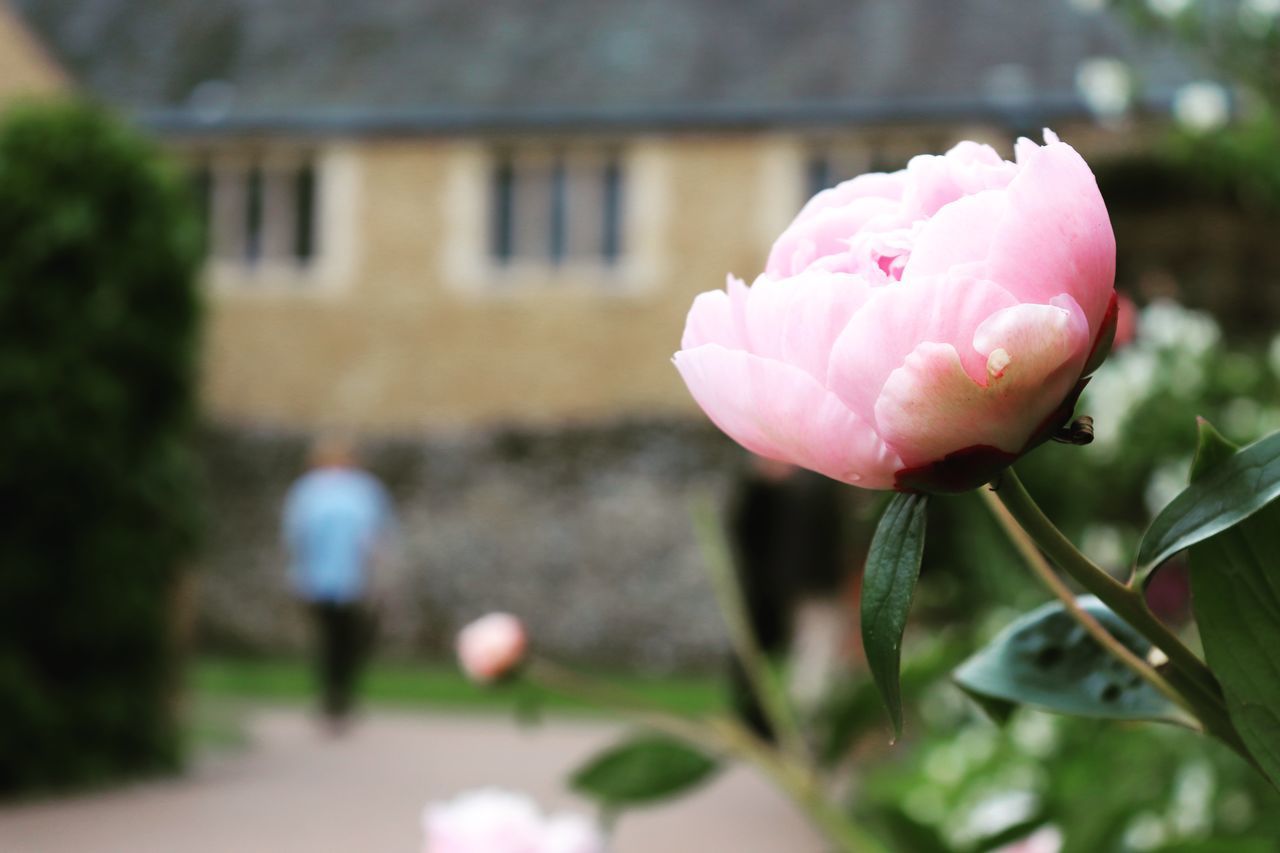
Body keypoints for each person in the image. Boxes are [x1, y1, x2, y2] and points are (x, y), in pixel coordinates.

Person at [282, 435, 396, 732]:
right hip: (319, 578)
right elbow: (296, 535)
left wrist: (378, 571)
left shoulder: (364, 488)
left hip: (355, 579)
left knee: (350, 639)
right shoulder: (309, 490)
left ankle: (341, 694)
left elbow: (379, 533)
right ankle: (332, 695)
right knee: (329, 638)